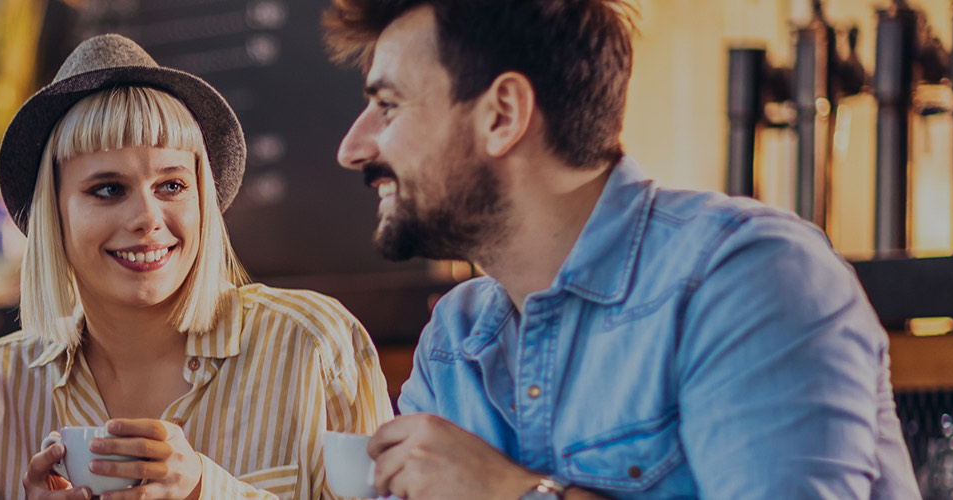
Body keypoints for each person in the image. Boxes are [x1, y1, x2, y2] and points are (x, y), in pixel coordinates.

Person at [322, 1, 921, 499]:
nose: (352, 148)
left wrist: (516, 493)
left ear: (502, 114)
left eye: (388, 106)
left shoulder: (746, 276)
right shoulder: (455, 341)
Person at [0, 34, 395, 500]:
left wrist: (208, 491)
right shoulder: (0, 382)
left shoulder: (314, 346)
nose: (148, 218)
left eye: (171, 185)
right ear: (54, 215)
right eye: (108, 189)